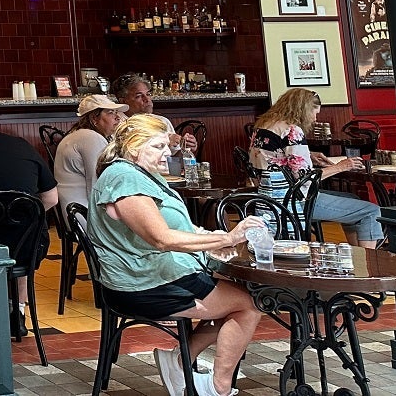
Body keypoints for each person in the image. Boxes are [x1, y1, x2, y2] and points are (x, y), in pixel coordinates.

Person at [87, 114, 265, 396]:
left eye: (166, 146)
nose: (167, 153)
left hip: (151, 276)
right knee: (250, 304)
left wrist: (208, 240)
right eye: (158, 146)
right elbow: (160, 238)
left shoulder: (139, 174)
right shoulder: (124, 179)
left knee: (239, 292)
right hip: (142, 284)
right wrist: (226, 237)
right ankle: (217, 387)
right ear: (134, 147)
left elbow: (174, 226)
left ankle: (180, 361)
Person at [0, 84, 56, 339]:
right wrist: (26, 219)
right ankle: (17, 311)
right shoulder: (21, 146)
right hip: (26, 249)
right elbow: (51, 197)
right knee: (20, 238)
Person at [249, 88, 381, 246]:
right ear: (303, 109)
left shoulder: (263, 126)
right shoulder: (292, 130)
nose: (315, 118)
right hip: (293, 201)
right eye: (314, 112)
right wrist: (341, 166)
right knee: (370, 211)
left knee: (353, 200)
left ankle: (357, 256)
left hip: (267, 198)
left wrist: (308, 155)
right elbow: (306, 179)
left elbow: (274, 156)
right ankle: (369, 263)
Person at [54, 93, 128, 214]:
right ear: (94, 118)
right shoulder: (91, 137)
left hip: (72, 210)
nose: (117, 117)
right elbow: (97, 183)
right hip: (82, 212)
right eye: (110, 113)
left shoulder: (80, 134)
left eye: (116, 112)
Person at [113, 73, 196, 172]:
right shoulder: (116, 124)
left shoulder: (162, 122)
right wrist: (163, 142)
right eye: (139, 96)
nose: (147, 99)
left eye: (148, 94)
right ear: (123, 101)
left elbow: (176, 164)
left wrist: (185, 149)